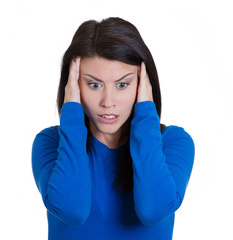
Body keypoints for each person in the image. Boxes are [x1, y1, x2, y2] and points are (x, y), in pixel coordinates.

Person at [31, 17, 195, 240]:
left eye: (122, 84)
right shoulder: (50, 143)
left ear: (143, 85)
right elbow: (71, 210)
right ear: (73, 86)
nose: (108, 101)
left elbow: (153, 210)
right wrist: (71, 114)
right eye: (94, 84)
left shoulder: (173, 143)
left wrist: (146, 111)